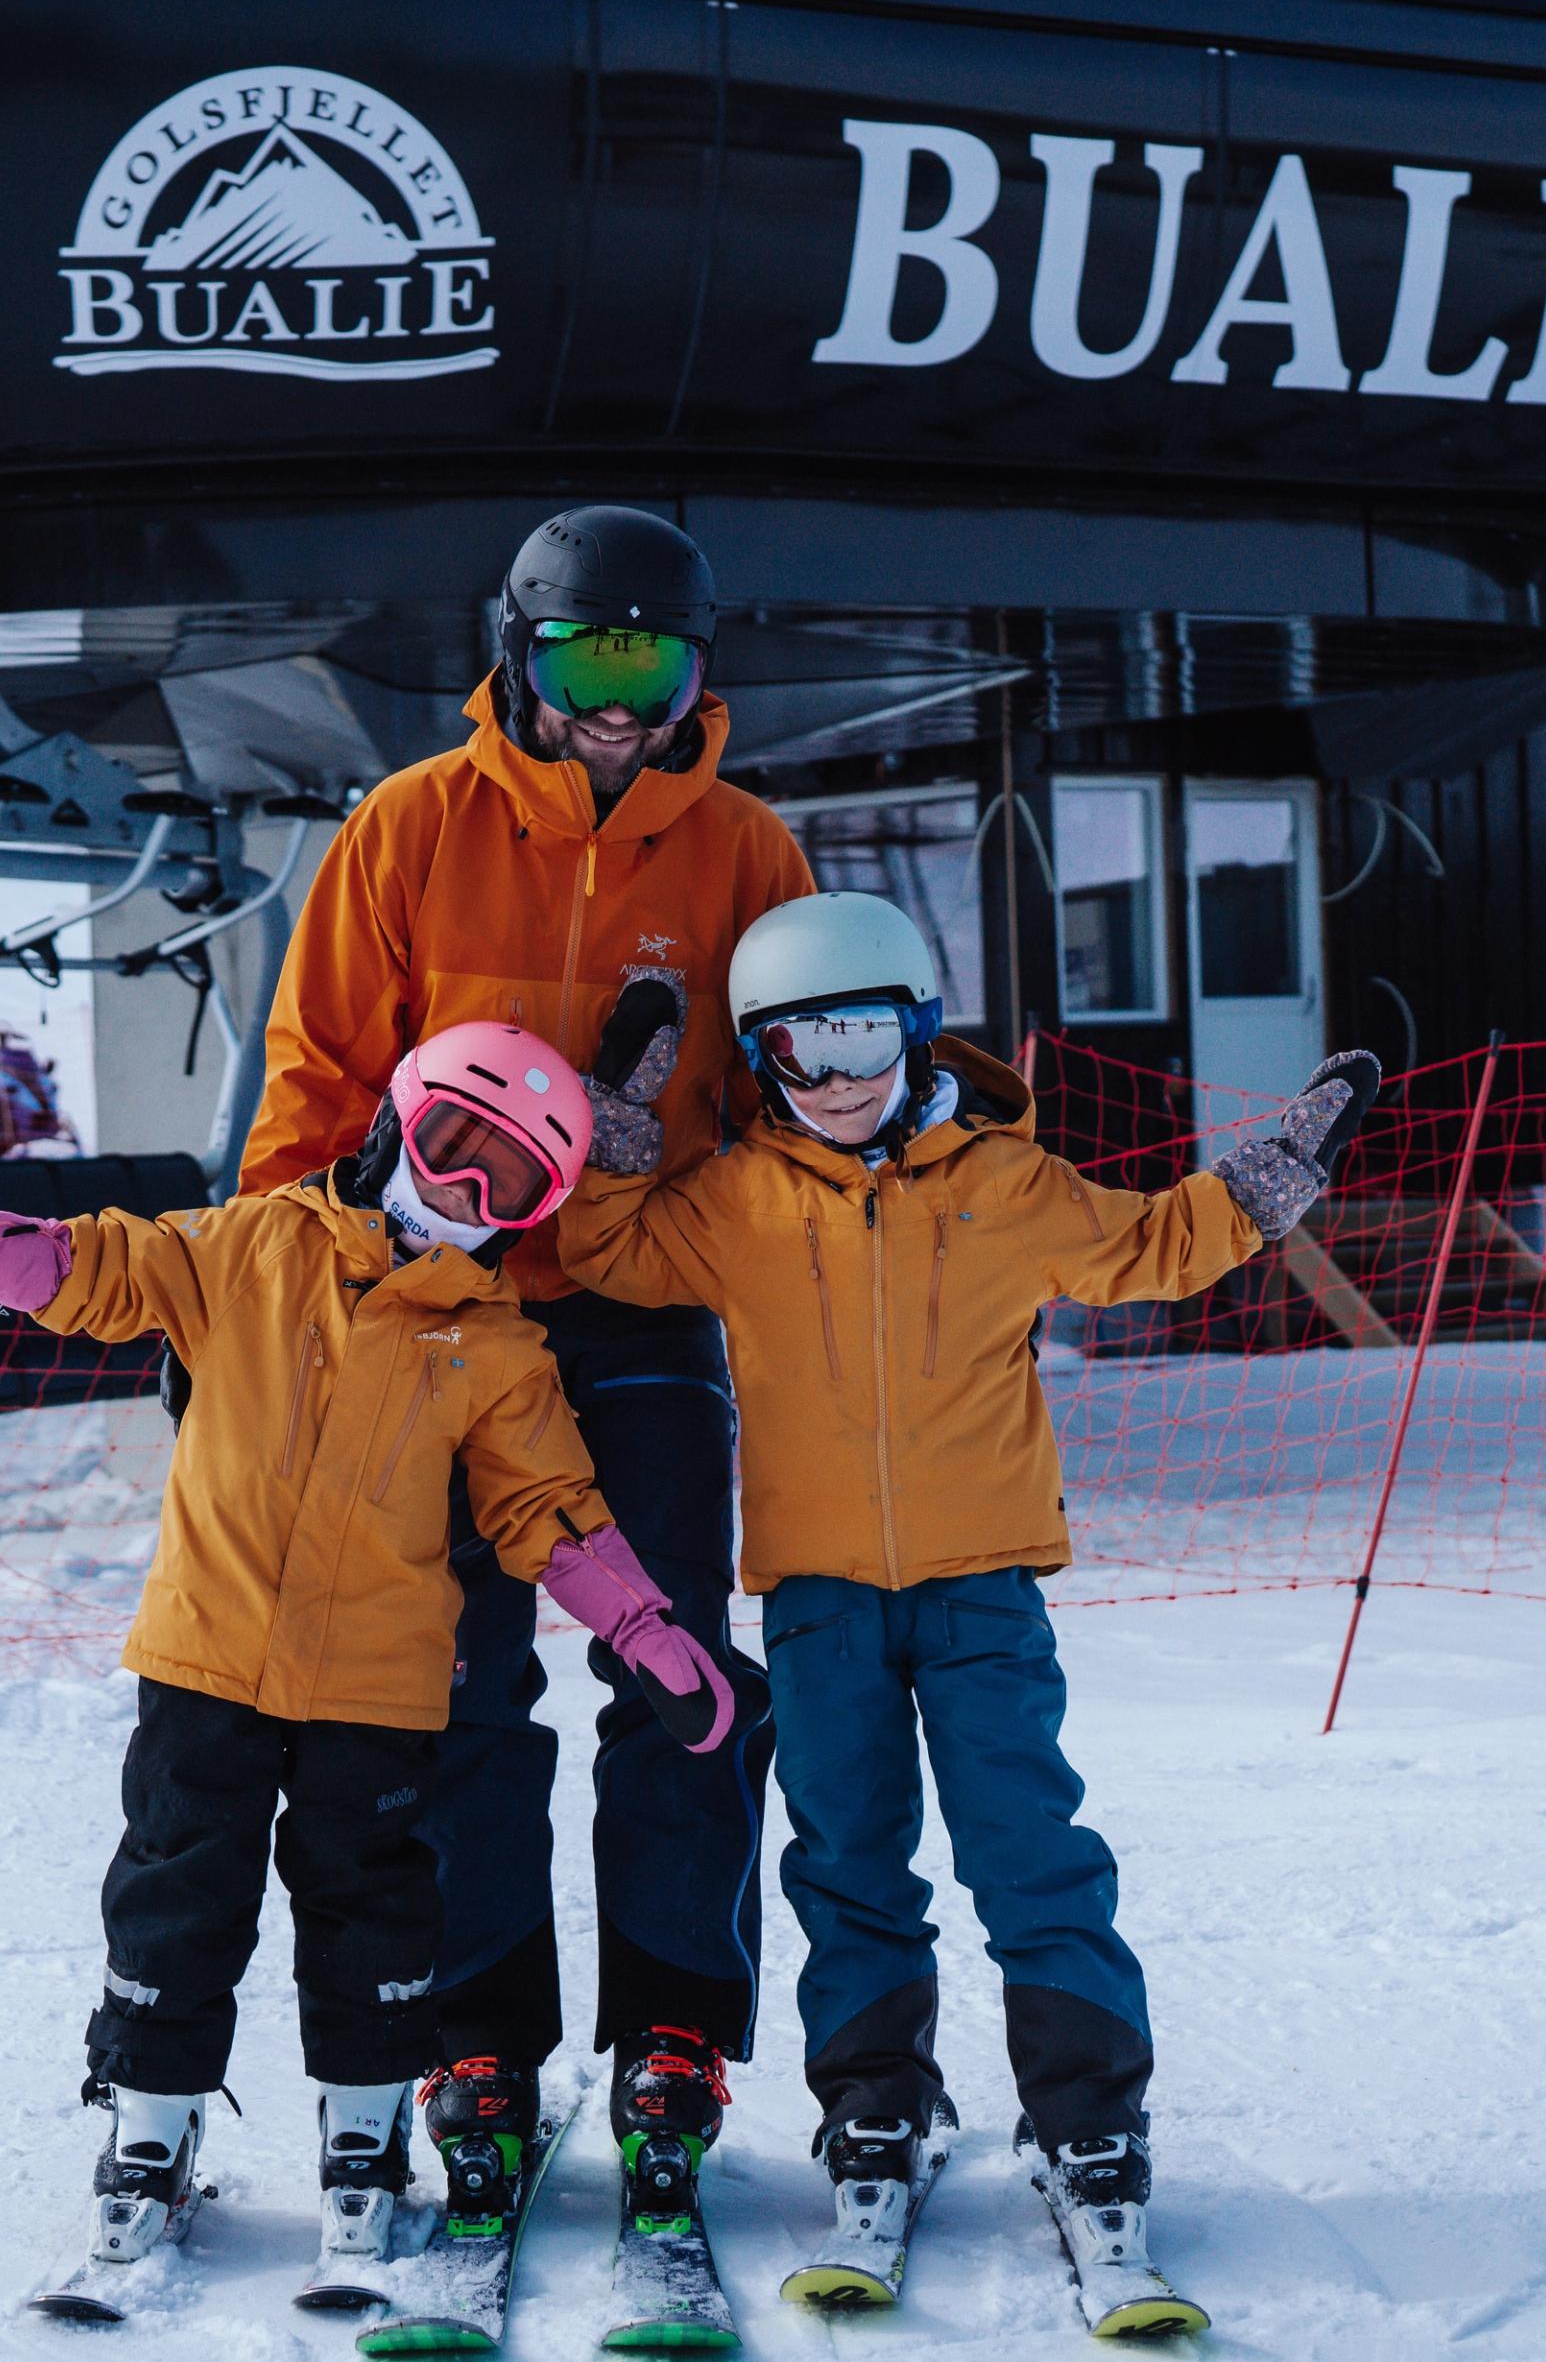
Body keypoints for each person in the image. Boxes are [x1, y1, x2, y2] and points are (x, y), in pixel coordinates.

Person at [0, 1022, 738, 2300]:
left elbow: (553, 1507)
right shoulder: (247, 1244)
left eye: (509, 1181)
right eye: (456, 1149)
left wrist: (643, 1624)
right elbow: (97, 1268)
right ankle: (149, 2135)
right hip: (208, 1656)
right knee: (174, 1899)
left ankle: (363, 2142)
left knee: (374, 1915)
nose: (467, 1195)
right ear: (393, 1127)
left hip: (378, 1685)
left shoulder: (497, 1341)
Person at [555, 893, 1374, 2327]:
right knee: (850, 1861)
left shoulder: (1010, 1181)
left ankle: (1090, 2132)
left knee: (1030, 1855)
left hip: (982, 1585)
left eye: (865, 1029)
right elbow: (609, 1251)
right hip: (816, 1599)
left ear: (918, 1024)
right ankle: (876, 2116)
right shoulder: (735, 1201)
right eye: (801, 1049)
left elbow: (1150, 1248)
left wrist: (1269, 1174)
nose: (841, 1073)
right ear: (762, 1062)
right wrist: (621, 1109)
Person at [239, 507, 814, 2196]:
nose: (619, 699)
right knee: (460, 1682)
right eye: (587, 657)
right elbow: (318, 1072)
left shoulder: (748, 853)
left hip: (640, 1312)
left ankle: (675, 2027)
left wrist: (729, 1194)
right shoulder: (412, 825)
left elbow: (800, 1101)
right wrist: (288, 1293)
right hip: (442, 1315)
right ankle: (475, 2028)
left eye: (653, 660)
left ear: (698, 666)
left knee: (676, 1666)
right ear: (524, 652)